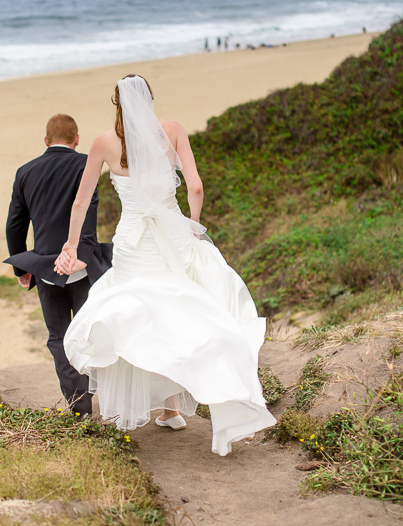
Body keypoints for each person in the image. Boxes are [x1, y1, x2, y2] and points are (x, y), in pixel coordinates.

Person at [54, 75, 276, 456]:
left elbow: (79, 202)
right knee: (180, 312)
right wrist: (192, 222)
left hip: (133, 242)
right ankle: (173, 408)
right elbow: (196, 186)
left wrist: (71, 245)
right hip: (172, 236)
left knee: (139, 316)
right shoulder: (172, 132)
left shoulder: (104, 143)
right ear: (150, 99)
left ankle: (149, 407)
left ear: (117, 104)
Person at [4, 113, 112, 416]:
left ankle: (80, 408)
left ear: (46, 140)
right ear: (76, 139)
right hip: (82, 265)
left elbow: (15, 225)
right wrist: (83, 253)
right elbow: (88, 213)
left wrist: (22, 267)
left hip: (46, 268)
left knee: (59, 337)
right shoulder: (85, 164)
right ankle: (107, 395)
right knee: (90, 332)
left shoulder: (25, 172)